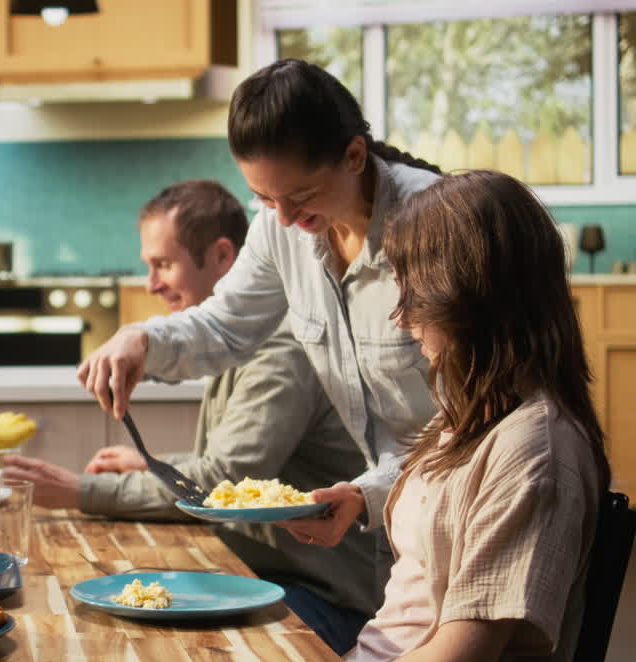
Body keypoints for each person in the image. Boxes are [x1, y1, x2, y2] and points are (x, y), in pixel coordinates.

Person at [76, 59, 440, 570]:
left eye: (301, 196)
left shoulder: (435, 223)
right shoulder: (281, 224)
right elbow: (225, 325)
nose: (285, 218)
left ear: (355, 155)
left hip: (457, 509)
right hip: (383, 528)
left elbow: (474, 414)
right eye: (264, 198)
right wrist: (143, 339)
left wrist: (373, 490)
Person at [3, 180, 378, 653]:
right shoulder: (239, 345)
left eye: (163, 264)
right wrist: (152, 465)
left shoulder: (282, 346)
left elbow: (223, 477)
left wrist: (80, 491)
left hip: (321, 595)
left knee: (161, 652)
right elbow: (244, 473)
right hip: (265, 576)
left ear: (223, 256)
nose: (151, 283)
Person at [345, 169, 607, 662]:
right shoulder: (472, 417)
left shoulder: (535, 450)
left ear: (470, 297)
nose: (401, 317)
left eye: (413, 292)